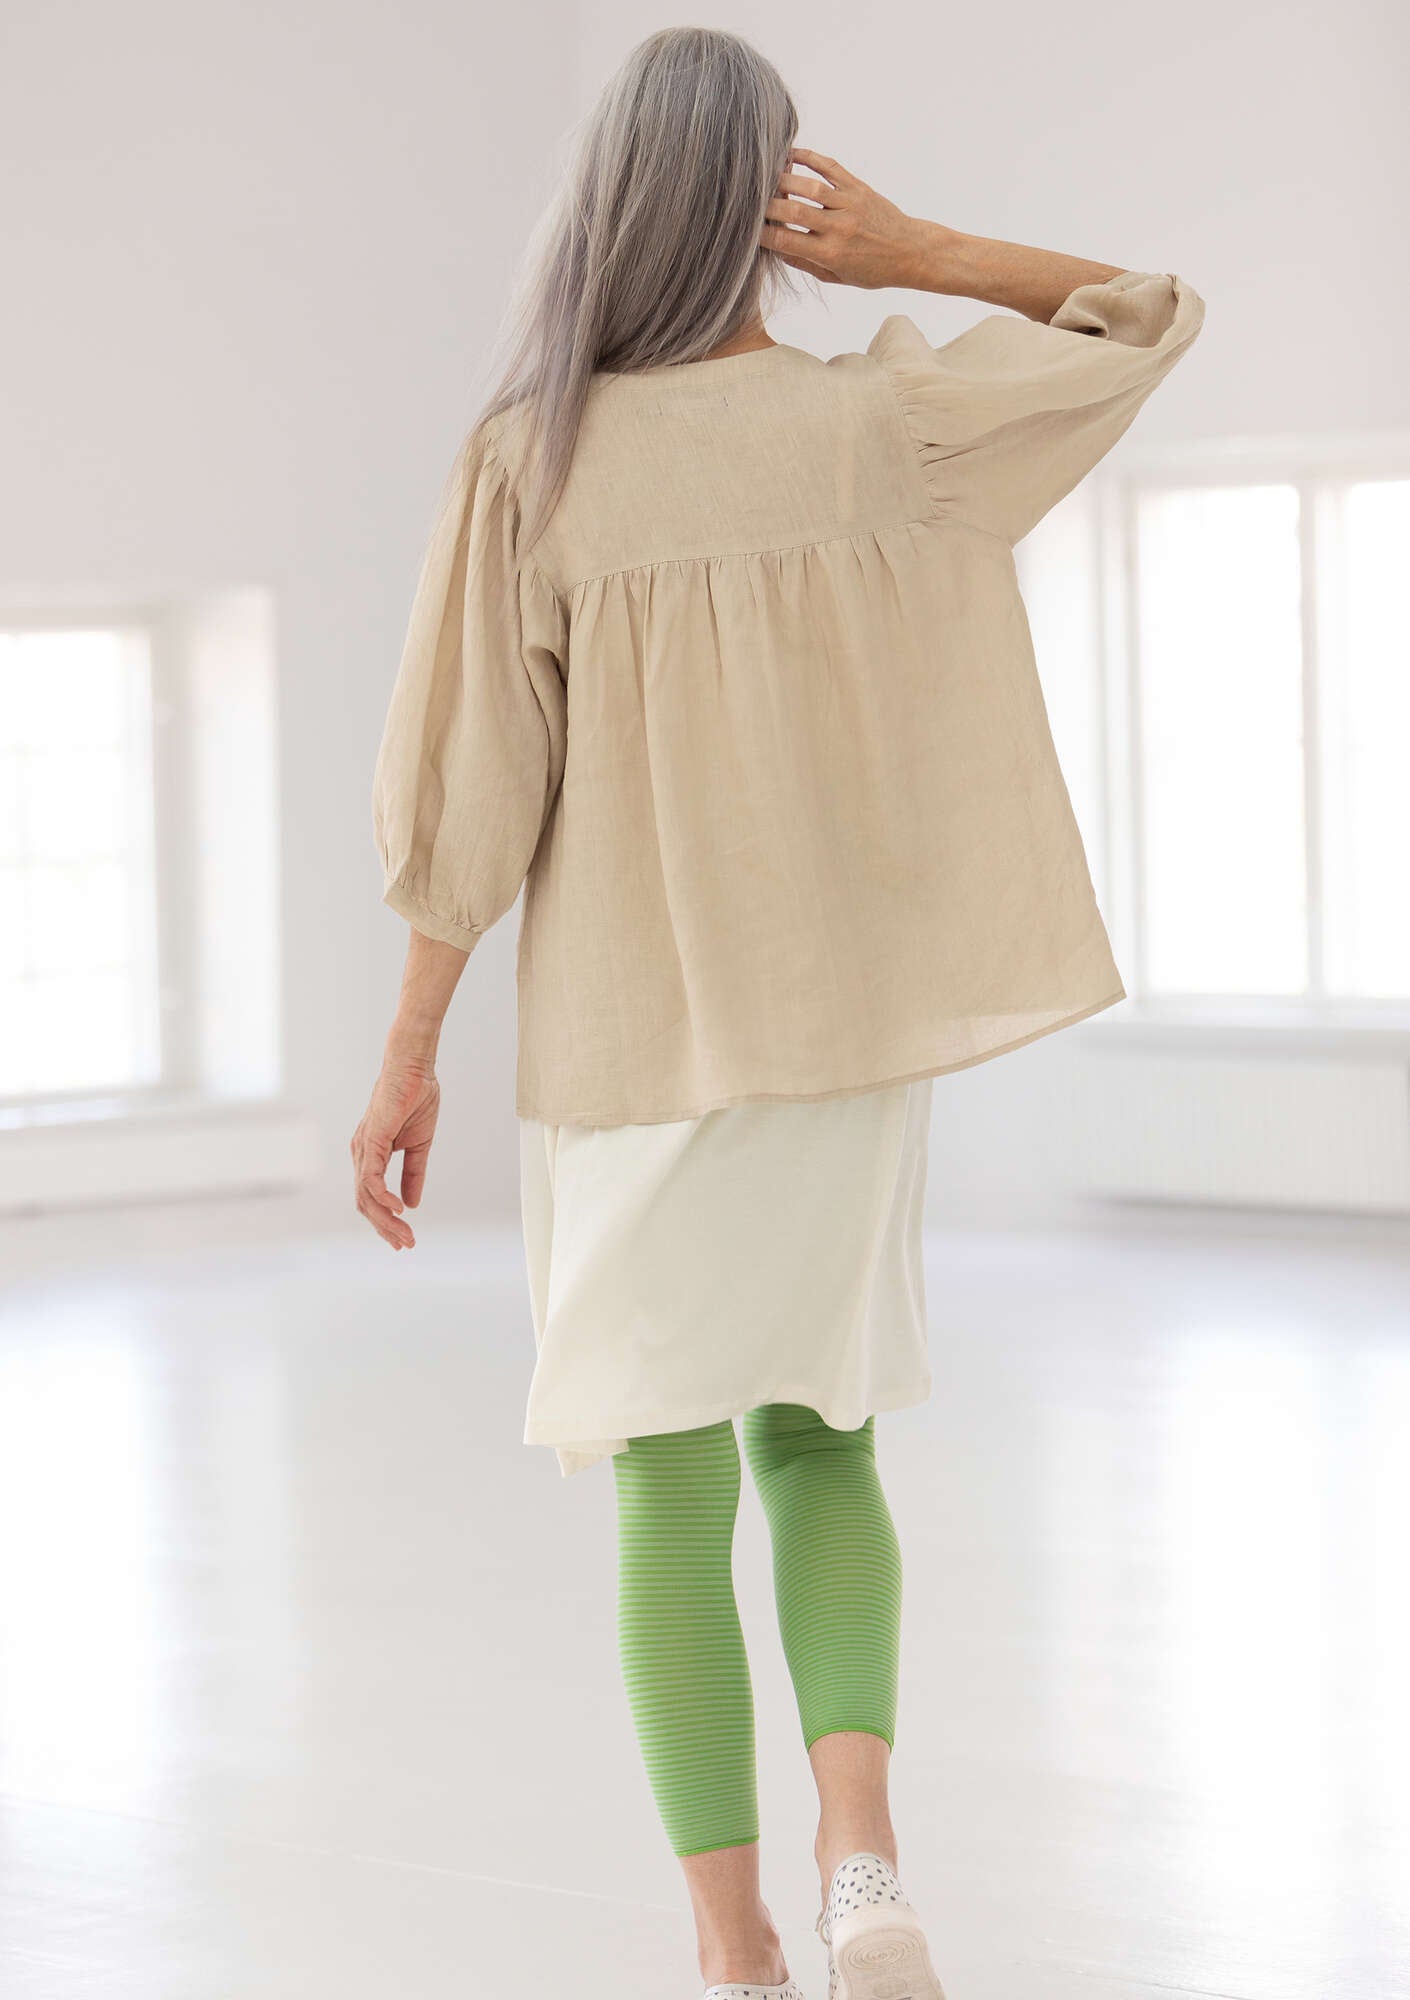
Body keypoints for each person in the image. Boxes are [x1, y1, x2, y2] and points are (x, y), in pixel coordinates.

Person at [351, 26, 1205, 2000]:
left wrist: (406, 1057)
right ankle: (862, 1865)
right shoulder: (880, 425)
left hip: (628, 1052)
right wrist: (912, 254)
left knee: (665, 1476)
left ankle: (731, 1950)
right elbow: (1142, 316)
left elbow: (468, 803)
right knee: (822, 1441)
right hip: (837, 1044)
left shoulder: (531, 464)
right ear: (767, 203)